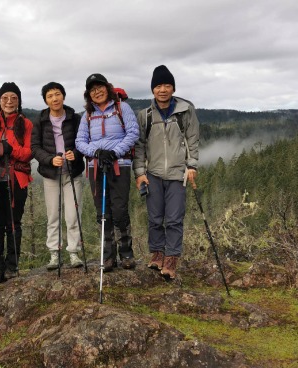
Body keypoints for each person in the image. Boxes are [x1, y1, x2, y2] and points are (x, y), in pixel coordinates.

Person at [133, 65, 199, 279]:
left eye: (167, 85)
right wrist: (140, 172)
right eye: (159, 86)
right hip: (152, 173)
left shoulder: (186, 111)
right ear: (153, 89)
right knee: (154, 218)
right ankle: (157, 254)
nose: (163, 90)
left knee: (174, 219)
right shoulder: (145, 115)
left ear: (173, 88)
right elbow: (140, 146)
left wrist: (192, 166)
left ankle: (171, 259)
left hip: (178, 174)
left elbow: (193, 140)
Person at [75, 73, 139, 272]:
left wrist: (114, 152)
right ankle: (108, 255)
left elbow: (133, 133)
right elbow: (80, 142)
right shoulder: (87, 115)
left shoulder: (122, 108)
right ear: (89, 94)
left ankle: (126, 253)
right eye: (92, 90)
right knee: (103, 212)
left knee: (119, 209)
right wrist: (96, 152)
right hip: (96, 166)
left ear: (107, 88)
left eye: (100, 87)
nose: (97, 92)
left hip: (120, 164)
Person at [0, 82, 34, 284]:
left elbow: (29, 152)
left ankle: (12, 266)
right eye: (5, 98)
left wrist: (11, 149)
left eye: (13, 98)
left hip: (16, 179)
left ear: (18, 101)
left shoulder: (25, 124)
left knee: (13, 222)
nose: (9, 102)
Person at [31, 82, 85, 270]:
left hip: (73, 173)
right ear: (46, 100)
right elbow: (35, 147)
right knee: (53, 215)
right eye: (50, 96)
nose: (54, 98)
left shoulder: (75, 118)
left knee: (73, 215)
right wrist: (49, 159)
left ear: (63, 95)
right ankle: (54, 254)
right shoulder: (40, 120)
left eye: (57, 94)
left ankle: (73, 253)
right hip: (50, 175)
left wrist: (76, 154)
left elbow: (83, 141)